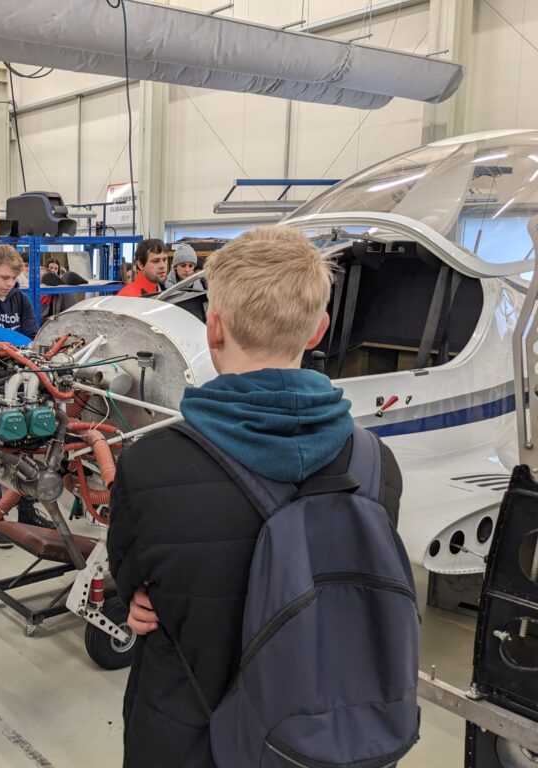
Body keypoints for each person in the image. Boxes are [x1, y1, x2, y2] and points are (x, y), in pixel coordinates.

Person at [107, 226, 403, 767]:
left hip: (192, 739)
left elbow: (131, 582)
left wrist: (139, 600)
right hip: (318, 740)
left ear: (213, 326)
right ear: (318, 330)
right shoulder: (376, 464)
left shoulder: (149, 464)